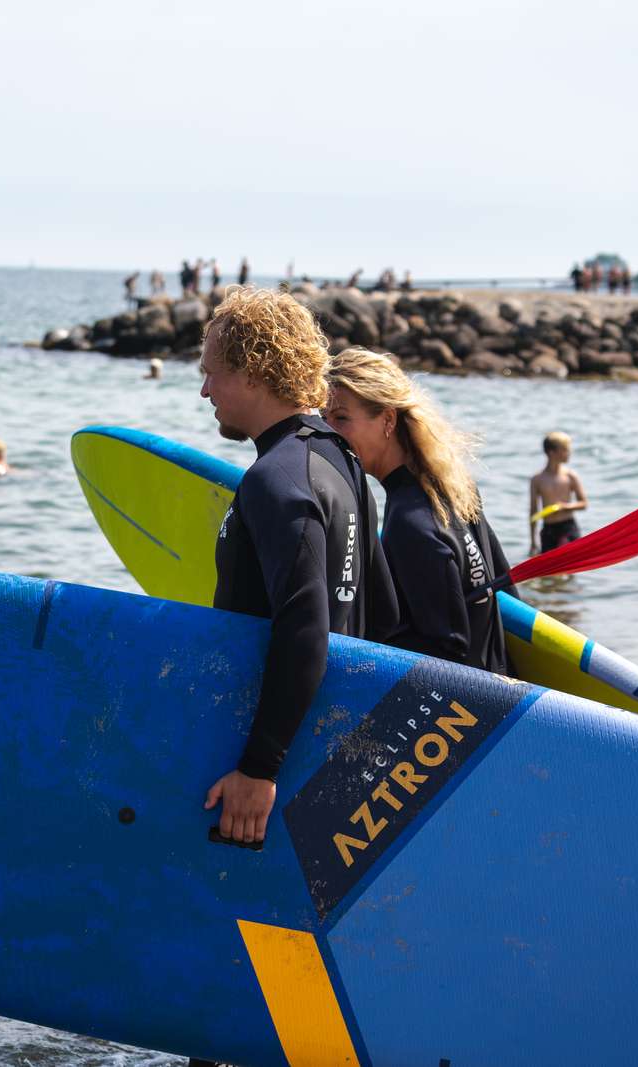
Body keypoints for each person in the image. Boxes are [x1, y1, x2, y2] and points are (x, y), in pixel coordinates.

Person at [197, 288, 399, 846]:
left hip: (274, 761)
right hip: (329, 744)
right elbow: (381, 609)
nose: (205, 389)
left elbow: (305, 627)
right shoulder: (340, 458)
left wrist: (260, 768)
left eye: (213, 373)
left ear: (255, 373)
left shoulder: (277, 480)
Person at [325, 348, 516, 675]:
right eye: (324, 419)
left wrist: (352, 648)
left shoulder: (410, 523)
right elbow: (505, 594)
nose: (329, 433)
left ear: (387, 420)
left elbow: (447, 649)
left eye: (341, 419)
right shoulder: (455, 488)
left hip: (463, 712)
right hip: (499, 681)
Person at [529, 431, 587, 555]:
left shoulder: (570, 476)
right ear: (552, 453)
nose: (569, 453)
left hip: (568, 527)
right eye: (565, 450)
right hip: (548, 529)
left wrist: (565, 507)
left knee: (572, 567)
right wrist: (533, 541)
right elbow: (533, 512)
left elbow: (584, 503)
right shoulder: (537, 479)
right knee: (549, 571)